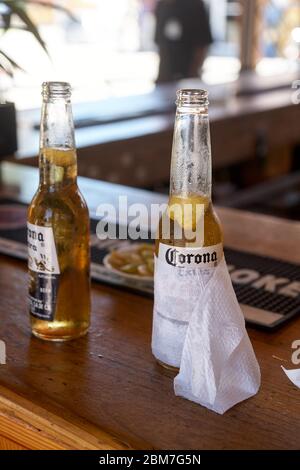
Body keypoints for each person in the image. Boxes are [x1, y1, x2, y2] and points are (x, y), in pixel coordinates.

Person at [154, 0, 212, 83]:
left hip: (189, 73)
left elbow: (202, 44)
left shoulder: (195, 5)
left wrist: (194, 73)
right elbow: (160, 43)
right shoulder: (162, 5)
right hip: (166, 75)